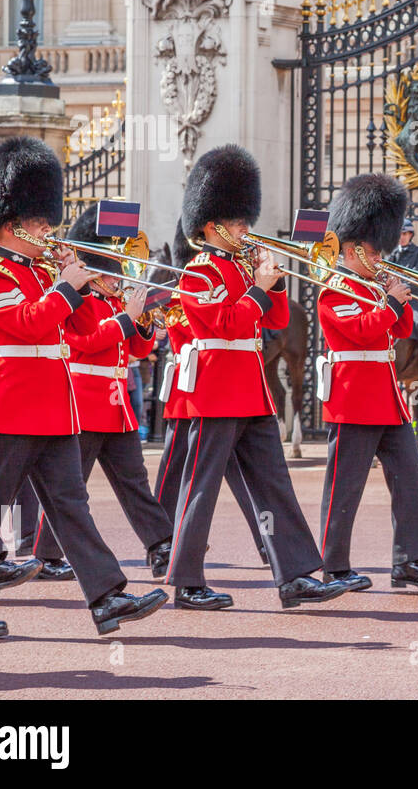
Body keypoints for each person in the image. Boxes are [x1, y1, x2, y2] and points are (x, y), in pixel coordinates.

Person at [0, 136, 168, 640]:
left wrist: (88, 288)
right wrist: (65, 286)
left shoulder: (44, 276)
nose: (48, 230)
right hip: (11, 407)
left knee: (69, 503)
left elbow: (81, 335)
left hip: (56, 409)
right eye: (40, 222)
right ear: (10, 223)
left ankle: (107, 597)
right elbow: (28, 325)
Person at [167, 144, 354, 611]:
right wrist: (257, 288)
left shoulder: (239, 266)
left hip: (250, 389)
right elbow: (223, 325)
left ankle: (293, 574)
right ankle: (187, 580)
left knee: (274, 485)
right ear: (211, 225)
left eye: (244, 221)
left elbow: (271, 323)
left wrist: (272, 282)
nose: (245, 230)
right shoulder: (197, 272)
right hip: (214, 390)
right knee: (201, 488)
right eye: (237, 223)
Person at [316, 174, 418, 589]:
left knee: (409, 477)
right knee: (345, 488)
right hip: (353, 397)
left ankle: (410, 560)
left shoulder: (372, 285)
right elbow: (362, 332)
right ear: (355, 249)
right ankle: (334, 566)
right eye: (376, 251)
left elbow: (400, 328)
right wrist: (389, 302)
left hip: (387, 397)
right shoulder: (334, 289)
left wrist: (398, 297)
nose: (381, 257)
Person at [29, 204, 174, 579]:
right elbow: (84, 342)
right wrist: (125, 319)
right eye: (110, 263)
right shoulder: (77, 299)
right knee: (70, 485)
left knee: (134, 481)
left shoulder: (112, 299)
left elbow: (137, 352)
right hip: (84, 402)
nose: (117, 273)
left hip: (116, 406)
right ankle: (47, 554)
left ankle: (161, 546)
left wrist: (143, 324)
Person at [150, 225, 268, 572]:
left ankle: (267, 542)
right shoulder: (197, 276)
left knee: (238, 481)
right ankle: (165, 546)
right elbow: (194, 332)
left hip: (227, 392)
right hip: (194, 394)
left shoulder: (233, 274)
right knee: (178, 480)